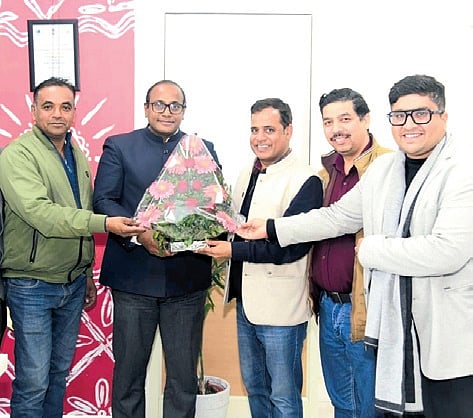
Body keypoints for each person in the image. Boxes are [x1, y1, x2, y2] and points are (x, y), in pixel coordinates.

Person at [237, 74, 473, 418]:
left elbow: (447, 251)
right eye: (400, 116)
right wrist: (272, 227)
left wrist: (372, 251)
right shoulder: (386, 170)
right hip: (389, 320)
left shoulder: (462, 171)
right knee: (361, 404)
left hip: (443, 326)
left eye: (421, 114)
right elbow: (336, 217)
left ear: (444, 117)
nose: (409, 125)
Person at [0, 77, 145, 418]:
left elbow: (79, 210)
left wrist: (86, 273)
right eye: (48, 106)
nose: (57, 114)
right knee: (33, 382)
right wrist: (106, 223)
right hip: (31, 284)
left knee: (57, 376)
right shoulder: (17, 155)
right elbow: (42, 215)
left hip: (72, 283)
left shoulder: (74, 153)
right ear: (33, 111)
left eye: (65, 107)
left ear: (74, 112)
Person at [93, 80, 221, 418]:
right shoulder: (120, 146)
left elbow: (214, 204)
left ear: (184, 111)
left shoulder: (201, 149)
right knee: (129, 377)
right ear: (147, 108)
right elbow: (104, 199)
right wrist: (140, 233)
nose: (167, 112)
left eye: (175, 105)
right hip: (134, 280)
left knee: (182, 380)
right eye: (159, 105)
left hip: (187, 281)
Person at [198, 98, 323, 417]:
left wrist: (231, 250)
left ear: (288, 131)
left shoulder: (306, 180)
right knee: (255, 388)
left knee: (283, 396)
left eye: (269, 129)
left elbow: (290, 248)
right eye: (254, 130)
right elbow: (235, 227)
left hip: (281, 309)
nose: (260, 137)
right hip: (246, 304)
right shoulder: (247, 173)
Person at [309, 88, 391, 418]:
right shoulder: (324, 172)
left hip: (364, 309)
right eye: (328, 122)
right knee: (342, 401)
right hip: (328, 306)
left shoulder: (388, 168)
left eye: (345, 119)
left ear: (366, 119)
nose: (336, 129)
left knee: (369, 405)